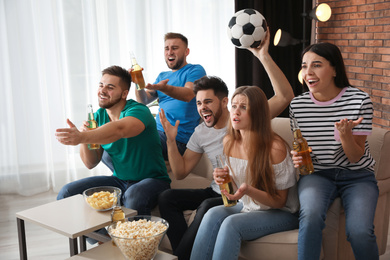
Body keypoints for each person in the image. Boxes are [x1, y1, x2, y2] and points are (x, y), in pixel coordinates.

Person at [158, 29, 295, 260]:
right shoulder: (219, 137)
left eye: (208, 101)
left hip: (269, 206)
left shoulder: (259, 133)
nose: (202, 108)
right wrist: (171, 140)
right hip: (238, 198)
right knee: (184, 204)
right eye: (198, 103)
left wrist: (262, 56)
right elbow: (180, 172)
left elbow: (284, 96)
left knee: (218, 216)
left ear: (224, 102)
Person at [290, 42, 379, 260]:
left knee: (359, 232)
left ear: (335, 70)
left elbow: (355, 156)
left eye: (317, 65)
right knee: (310, 218)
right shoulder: (297, 105)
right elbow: (302, 148)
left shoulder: (359, 100)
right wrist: (299, 157)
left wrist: (346, 134)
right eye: (304, 66)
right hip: (317, 174)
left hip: (358, 175)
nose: (308, 72)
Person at [189, 86, 299, 260]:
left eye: (244, 107)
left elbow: (279, 202)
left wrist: (248, 190)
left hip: (282, 213)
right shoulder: (229, 142)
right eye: (234, 106)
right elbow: (236, 191)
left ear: (258, 113)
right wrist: (224, 180)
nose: (236, 112)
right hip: (249, 206)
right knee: (211, 214)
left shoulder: (275, 148)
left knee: (231, 224)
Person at [55, 65, 170, 216]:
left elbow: (119, 130)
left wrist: (82, 136)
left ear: (124, 94)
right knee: (67, 193)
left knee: (133, 196)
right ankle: (105, 236)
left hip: (153, 180)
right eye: (101, 85)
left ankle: (131, 238)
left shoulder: (139, 111)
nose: (102, 91)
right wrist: (85, 136)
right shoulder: (98, 116)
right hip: (119, 181)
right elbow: (90, 163)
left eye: (110, 87)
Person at [135, 32, 206, 160]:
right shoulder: (162, 76)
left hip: (177, 139)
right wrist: (137, 82)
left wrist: (164, 88)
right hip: (155, 132)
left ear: (186, 51)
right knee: (113, 144)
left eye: (175, 48)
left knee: (134, 144)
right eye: (166, 48)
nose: (170, 52)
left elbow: (188, 94)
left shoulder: (195, 70)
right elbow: (143, 100)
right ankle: (127, 178)